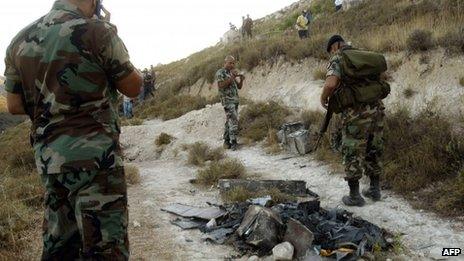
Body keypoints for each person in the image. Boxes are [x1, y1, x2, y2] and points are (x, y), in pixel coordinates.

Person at [4, 0, 142, 259]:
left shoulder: (19, 41)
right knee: (105, 249)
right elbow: (133, 87)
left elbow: (13, 105)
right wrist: (110, 36)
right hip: (97, 159)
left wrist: (53, 102)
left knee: (61, 248)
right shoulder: (98, 32)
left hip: (50, 160)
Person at [320, 35, 386, 207]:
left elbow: (330, 84)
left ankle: (355, 196)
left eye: (330, 51)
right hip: (377, 110)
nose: (330, 54)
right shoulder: (363, 56)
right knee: (374, 146)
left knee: (352, 149)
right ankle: (375, 189)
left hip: (355, 114)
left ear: (334, 47)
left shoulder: (338, 58)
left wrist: (323, 98)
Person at [215, 56, 245, 151]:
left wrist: (241, 79)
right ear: (225, 63)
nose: (232, 65)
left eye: (233, 63)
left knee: (229, 121)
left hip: (235, 100)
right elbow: (221, 86)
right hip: (227, 101)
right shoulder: (221, 72)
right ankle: (233, 143)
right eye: (230, 63)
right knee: (234, 120)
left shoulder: (231, 73)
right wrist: (232, 77)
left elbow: (239, 87)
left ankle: (226, 142)